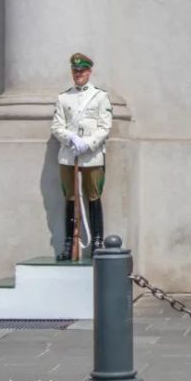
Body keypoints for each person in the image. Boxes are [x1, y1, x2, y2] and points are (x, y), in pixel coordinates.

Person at [50, 53, 113, 261]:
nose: (78, 75)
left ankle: (96, 242)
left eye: (82, 71)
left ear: (89, 72)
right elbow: (57, 126)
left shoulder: (100, 97)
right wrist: (70, 139)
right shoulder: (63, 98)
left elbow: (105, 127)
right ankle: (69, 243)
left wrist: (88, 143)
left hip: (92, 156)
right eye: (75, 71)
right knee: (70, 197)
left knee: (94, 196)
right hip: (69, 156)